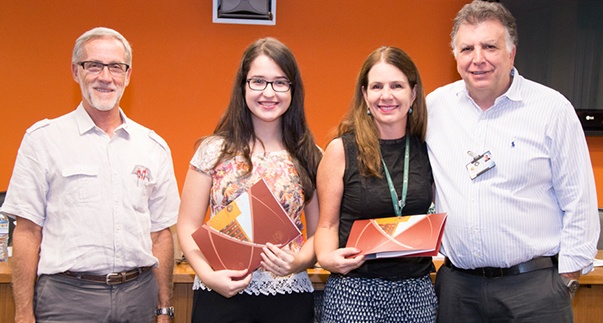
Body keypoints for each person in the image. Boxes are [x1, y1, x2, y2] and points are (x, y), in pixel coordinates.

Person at [426, 1, 600, 322]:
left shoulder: (551, 109)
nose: (478, 59)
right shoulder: (434, 108)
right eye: (467, 49)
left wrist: (566, 280)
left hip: (534, 291)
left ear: (511, 53)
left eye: (490, 46)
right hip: (457, 290)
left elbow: (579, 202)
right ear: (456, 56)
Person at [0, 27, 180, 322]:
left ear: (128, 75)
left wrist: (164, 309)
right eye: (94, 65)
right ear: (75, 71)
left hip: (139, 297)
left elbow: (160, 235)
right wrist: (22, 314)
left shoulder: (153, 147)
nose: (105, 77)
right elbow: (27, 232)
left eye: (115, 67)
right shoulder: (43, 140)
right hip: (66, 299)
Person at [176, 37, 322, 323]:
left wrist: (300, 261)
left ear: (293, 90)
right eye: (258, 81)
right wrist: (208, 275)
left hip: (287, 296)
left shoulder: (311, 155)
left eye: (280, 82)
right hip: (220, 292)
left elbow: (320, 232)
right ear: (243, 86)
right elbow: (187, 225)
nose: (269, 92)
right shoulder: (213, 150)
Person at [315, 46, 437, 322]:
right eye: (377, 86)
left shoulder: (428, 150)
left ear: (413, 94)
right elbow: (326, 225)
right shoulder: (341, 150)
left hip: (416, 293)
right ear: (365, 95)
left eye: (397, 86)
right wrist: (327, 257)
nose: (386, 95)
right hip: (353, 291)